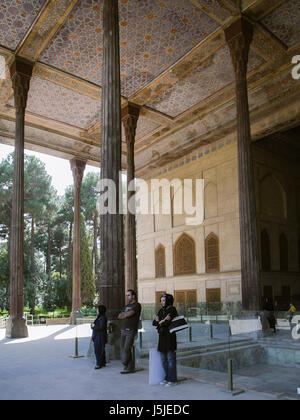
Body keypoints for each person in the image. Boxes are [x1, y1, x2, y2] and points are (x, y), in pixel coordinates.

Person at [153, 293, 178, 387]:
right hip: (162, 337)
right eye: (161, 300)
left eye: (164, 300)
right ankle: (167, 378)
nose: (162, 302)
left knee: (170, 359)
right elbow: (154, 322)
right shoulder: (161, 310)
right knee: (163, 359)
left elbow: (166, 322)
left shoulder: (172, 309)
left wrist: (160, 321)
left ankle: (173, 379)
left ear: (168, 300)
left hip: (170, 336)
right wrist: (160, 322)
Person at [118, 289, 141, 374]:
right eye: (126, 295)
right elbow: (119, 316)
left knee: (127, 349)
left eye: (128, 295)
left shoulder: (137, 305)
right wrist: (125, 314)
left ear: (133, 296)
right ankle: (129, 367)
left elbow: (129, 314)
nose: (127, 297)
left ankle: (125, 363)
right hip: (123, 329)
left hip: (131, 330)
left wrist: (125, 314)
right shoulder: (126, 306)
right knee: (123, 348)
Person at [91, 305, 108, 369]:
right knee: (101, 349)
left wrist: (93, 327)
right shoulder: (100, 317)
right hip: (98, 335)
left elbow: (101, 327)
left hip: (100, 336)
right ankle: (103, 362)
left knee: (98, 350)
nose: (96, 310)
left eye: (97, 309)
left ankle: (98, 364)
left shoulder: (102, 318)